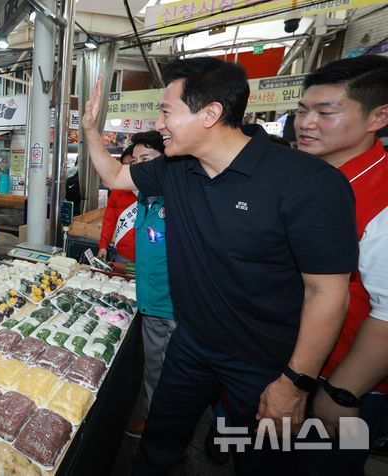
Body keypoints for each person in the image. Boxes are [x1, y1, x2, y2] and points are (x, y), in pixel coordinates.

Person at [81, 57, 358, 475]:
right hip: (191, 344)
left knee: (261, 463)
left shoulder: (307, 183)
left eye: (166, 111)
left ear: (210, 113)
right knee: (159, 442)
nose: (159, 123)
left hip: (264, 363)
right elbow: (117, 178)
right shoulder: (177, 168)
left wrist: (294, 381)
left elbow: (328, 292)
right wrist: (87, 130)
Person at [292, 56, 388, 474]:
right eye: (301, 111)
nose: (306, 123)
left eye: (325, 113)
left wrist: (343, 391)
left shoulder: (380, 196)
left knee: (327, 466)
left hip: (350, 383)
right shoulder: (309, 177)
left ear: (378, 117)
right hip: (302, 366)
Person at [124, 131, 176, 438]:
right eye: (136, 161)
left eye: (148, 159)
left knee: (173, 375)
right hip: (150, 300)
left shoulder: (178, 199)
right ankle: (156, 425)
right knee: (155, 369)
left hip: (174, 304)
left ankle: (165, 436)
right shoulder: (144, 198)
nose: (141, 167)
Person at [97, 146, 137, 263]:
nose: (129, 168)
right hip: (123, 254)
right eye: (125, 164)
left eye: (133, 163)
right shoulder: (117, 191)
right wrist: (103, 245)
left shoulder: (154, 189)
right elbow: (109, 220)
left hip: (151, 256)